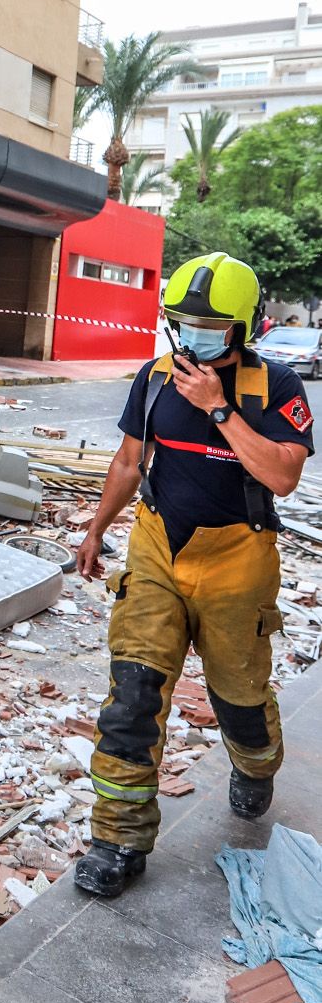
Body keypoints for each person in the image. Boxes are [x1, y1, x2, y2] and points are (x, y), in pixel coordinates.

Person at [73, 252, 314, 899]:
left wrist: (216, 408)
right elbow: (129, 462)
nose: (193, 335)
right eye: (182, 322)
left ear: (242, 328)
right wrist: (96, 529)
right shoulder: (153, 378)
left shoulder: (275, 390)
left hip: (237, 560)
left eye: (210, 324)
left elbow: (282, 476)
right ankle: (117, 838)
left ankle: (255, 767)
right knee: (131, 695)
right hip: (156, 547)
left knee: (238, 701)